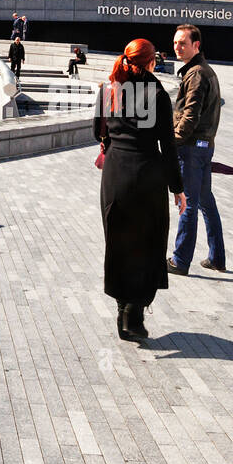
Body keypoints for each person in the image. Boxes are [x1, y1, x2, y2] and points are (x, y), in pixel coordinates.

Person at [93, 39, 185, 342]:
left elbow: (98, 132)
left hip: (115, 174)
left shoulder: (109, 89)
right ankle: (135, 308)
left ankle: (123, 308)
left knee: (118, 242)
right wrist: (178, 189)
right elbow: (168, 147)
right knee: (148, 243)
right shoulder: (157, 93)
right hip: (147, 175)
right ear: (151, 62)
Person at [167, 25, 226, 276]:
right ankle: (217, 258)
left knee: (187, 204)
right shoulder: (201, 71)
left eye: (183, 43)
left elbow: (190, 115)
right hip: (203, 147)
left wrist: (173, 142)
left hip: (191, 148)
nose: (177, 47)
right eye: (175, 43)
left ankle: (180, 261)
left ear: (196, 46)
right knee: (205, 202)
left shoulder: (197, 74)